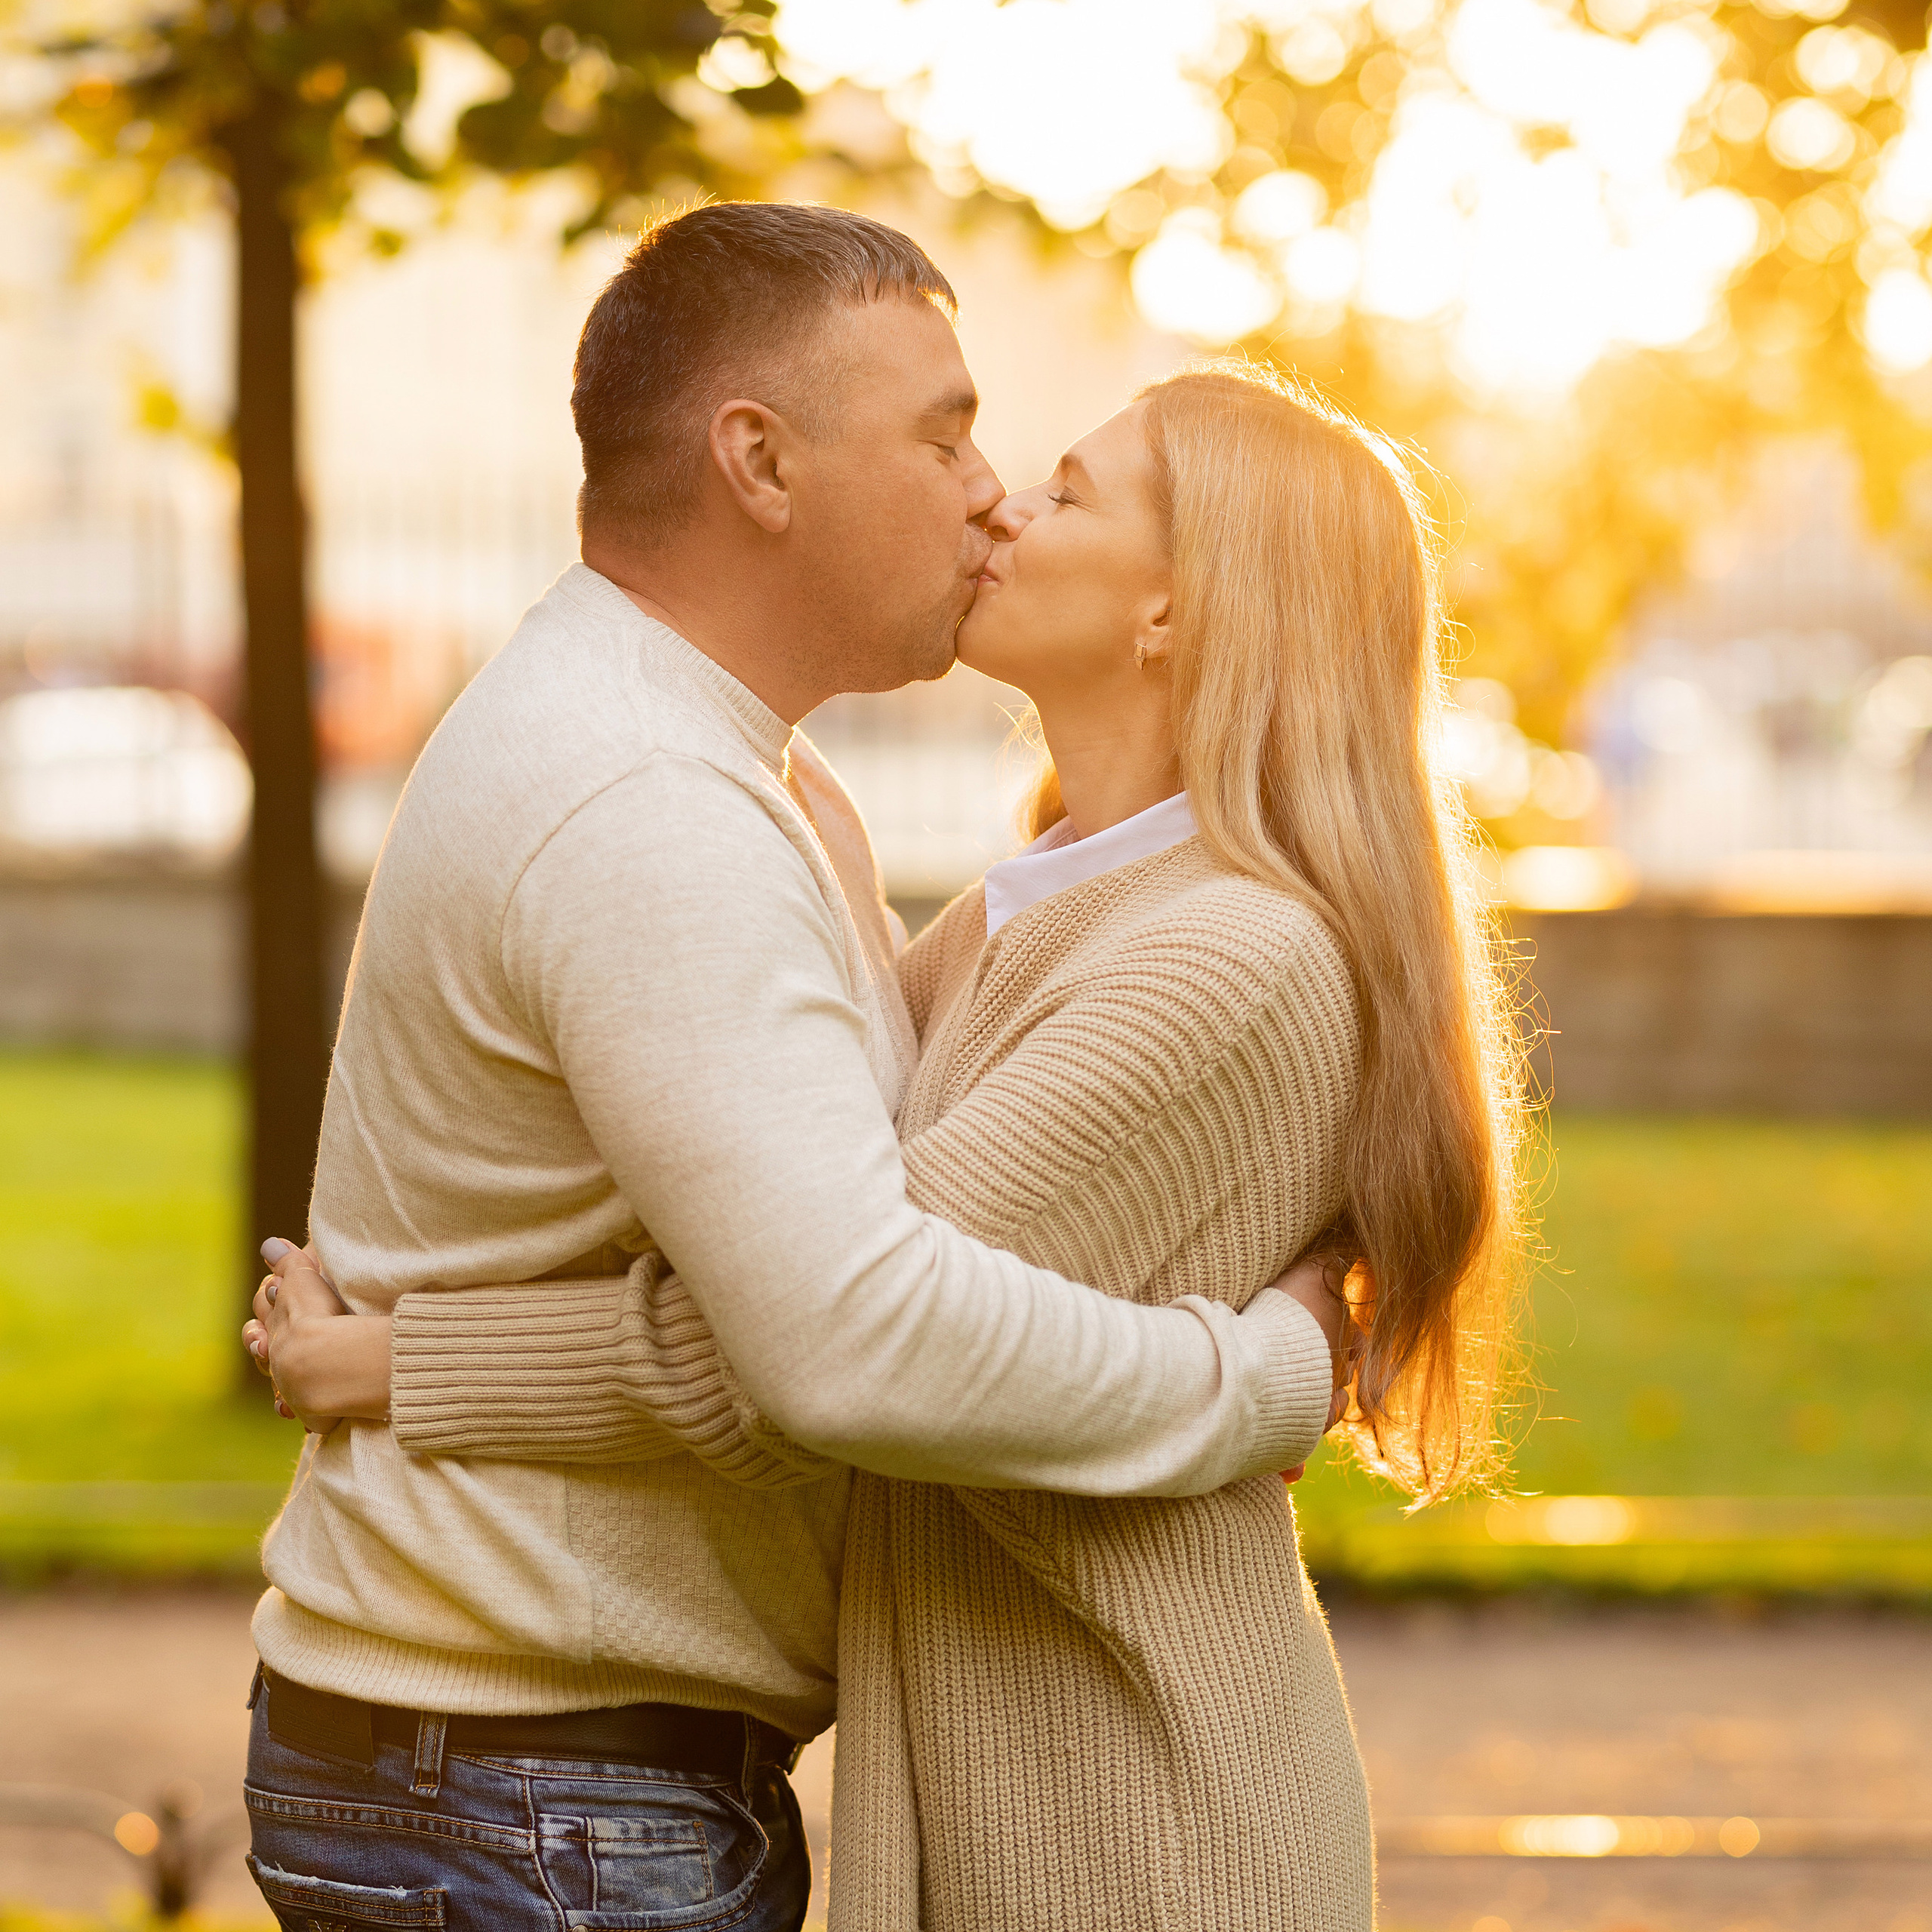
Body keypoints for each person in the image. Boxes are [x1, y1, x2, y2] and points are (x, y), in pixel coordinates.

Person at [254, 358, 1526, 1930]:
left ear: (1172, 610)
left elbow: (822, 1340)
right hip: (1017, 1777)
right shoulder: (1034, 907)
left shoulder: (1223, 957)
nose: (1000, 502)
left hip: (1131, 1814)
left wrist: (407, 1362)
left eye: (1067, 491)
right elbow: (814, 1272)